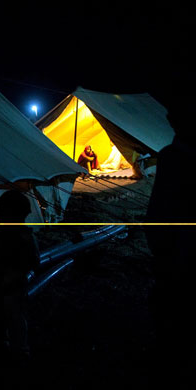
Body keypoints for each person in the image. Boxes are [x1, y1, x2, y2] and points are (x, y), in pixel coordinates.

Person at [145, 89, 196, 388]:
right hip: (181, 257)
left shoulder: (175, 158)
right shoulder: (178, 157)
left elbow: (159, 218)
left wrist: (163, 255)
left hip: (179, 260)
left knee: (175, 331)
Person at [0, 189, 40, 364]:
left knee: (14, 316)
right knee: (4, 313)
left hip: (13, 283)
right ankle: (6, 342)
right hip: (4, 280)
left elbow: (33, 261)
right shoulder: (6, 233)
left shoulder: (22, 237)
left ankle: (19, 350)